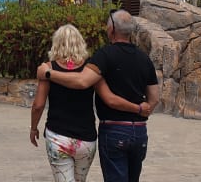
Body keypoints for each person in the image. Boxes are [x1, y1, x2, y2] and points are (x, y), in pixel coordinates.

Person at [39, 9, 160, 182]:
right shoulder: (144, 59)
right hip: (140, 132)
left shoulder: (104, 55)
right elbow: (154, 98)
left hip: (114, 130)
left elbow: (84, 82)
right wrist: (141, 110)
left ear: (112, 30)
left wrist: (48, 73)